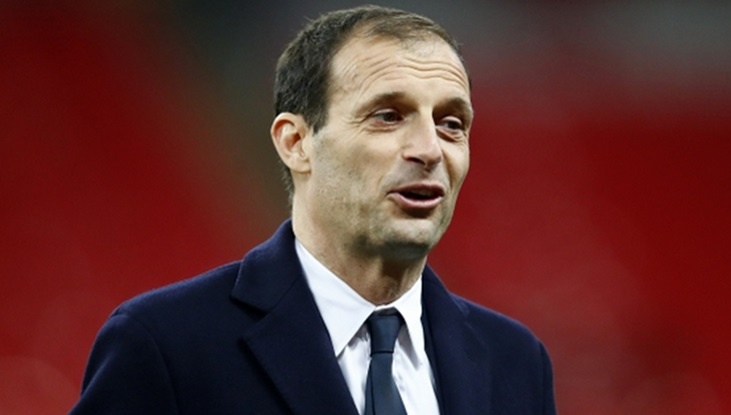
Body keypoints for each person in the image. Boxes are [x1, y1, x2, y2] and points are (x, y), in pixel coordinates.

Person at [70, 5, 556, 415]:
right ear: (296, 142)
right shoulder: (165, 345)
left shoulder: (516, 361)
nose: (430, 149)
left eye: (451, 123)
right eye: (388, 116)